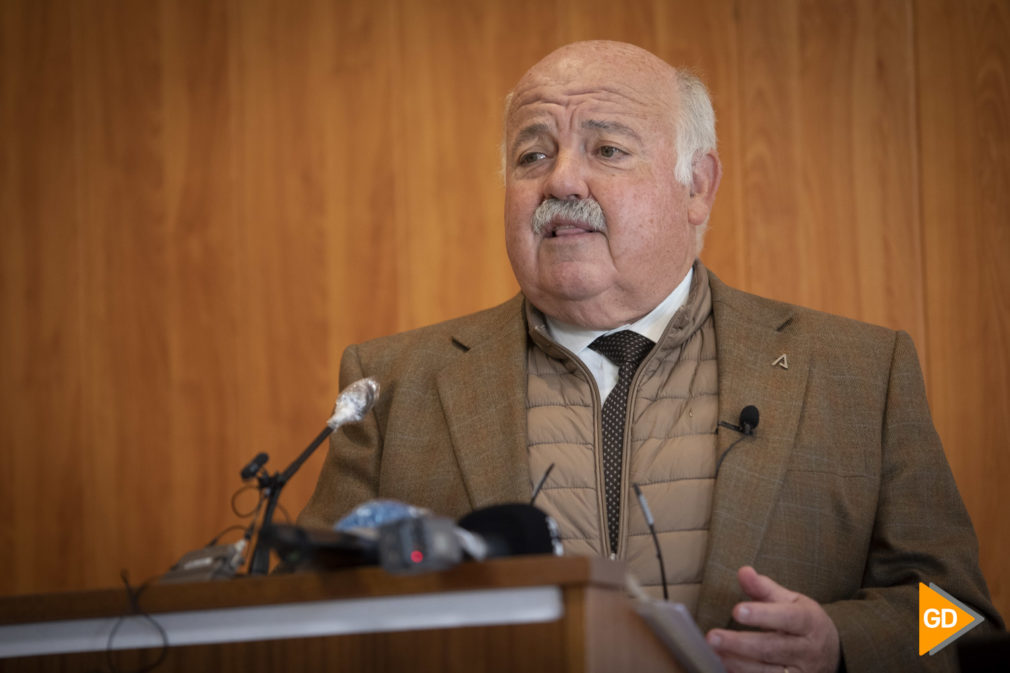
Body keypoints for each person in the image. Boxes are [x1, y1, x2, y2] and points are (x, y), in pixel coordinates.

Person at [299, 41, 1002, 671]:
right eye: (532, 155)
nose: (562, 182)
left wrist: (841, 642)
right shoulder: (393, 384)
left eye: (606, 150)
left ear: (697, 187)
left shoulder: (860, 373)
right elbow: (306, 618)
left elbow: (959, 619)